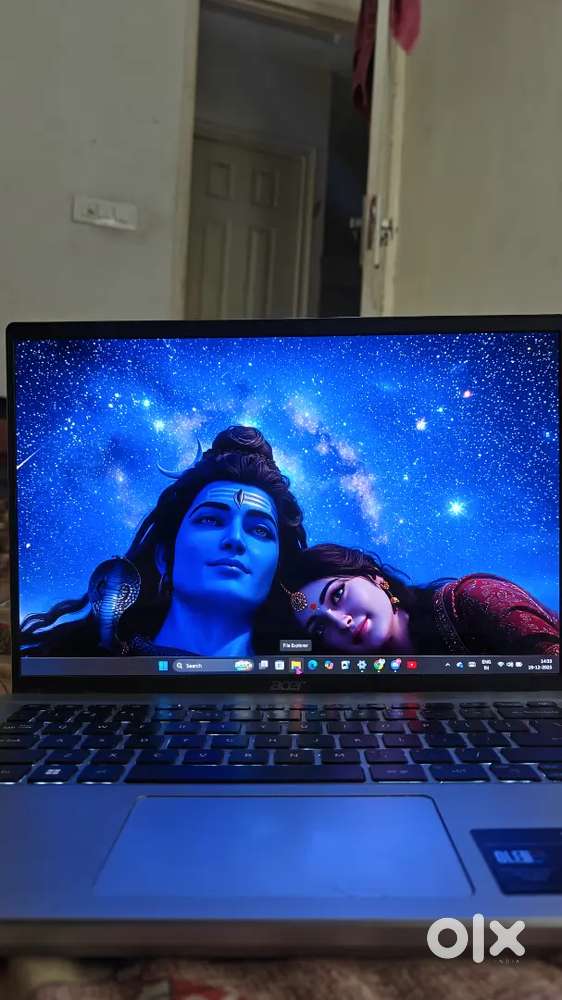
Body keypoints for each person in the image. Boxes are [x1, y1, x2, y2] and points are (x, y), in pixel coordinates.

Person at [20, 426, 306, 657]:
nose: (235, 539)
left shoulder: (302, 659)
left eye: (260, 530)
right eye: (210, 520)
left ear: (278, 567)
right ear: (164, 555)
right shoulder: (94, 664)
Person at [281, 543, 560, 656]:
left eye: (337, 594)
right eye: (320, 628)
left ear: (374, 576)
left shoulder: (472, 598)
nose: (341, 622)